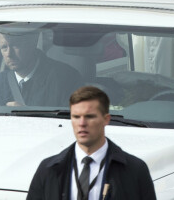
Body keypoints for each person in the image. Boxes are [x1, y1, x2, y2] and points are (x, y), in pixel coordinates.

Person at [27, 86, 156, 200]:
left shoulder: (135, 170)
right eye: (76, 117)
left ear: (106, 119)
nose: (82, 123)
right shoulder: (48, 170)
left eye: (89, 117)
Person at [0, 30, 83, 107]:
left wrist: (28, 115)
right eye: (4, 47)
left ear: (32, 43)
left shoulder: (67, 79)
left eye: (16, 45)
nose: (9, 54)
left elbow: (75, 125)